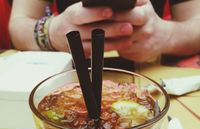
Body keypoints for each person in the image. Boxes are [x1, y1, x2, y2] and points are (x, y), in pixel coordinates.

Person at [8, 0, 200, 62]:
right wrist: (51, 33)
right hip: (66, 74)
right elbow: (18, 24)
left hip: (151, 75)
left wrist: (166, 36)